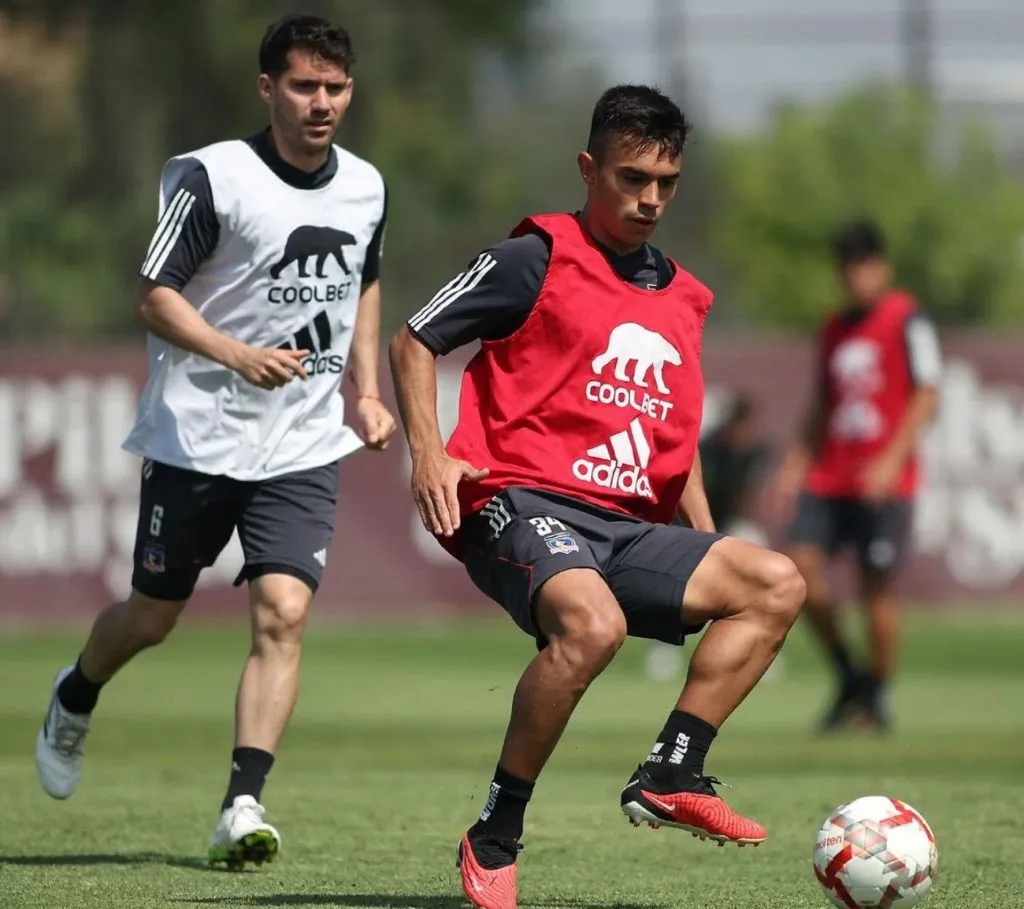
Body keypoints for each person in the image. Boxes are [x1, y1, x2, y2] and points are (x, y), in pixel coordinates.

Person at [389, 84, 806, 909]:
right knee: (594, 626)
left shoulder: (683, 295)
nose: (650, 198)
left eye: (666, 182)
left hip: (623, 525)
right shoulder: (535, 257)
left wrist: (710, 546)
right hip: (517, 496)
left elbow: (671, 437)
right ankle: (496, 831)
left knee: (775, 583)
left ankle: (671, 767)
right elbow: (413, 338)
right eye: (630, 177)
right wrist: (429, 455)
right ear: (588, 169)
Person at [34, 14, 395, 870]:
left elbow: (366, 280)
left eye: (335, 88)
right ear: (268, 88)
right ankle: (76, 692)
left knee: (285, 612)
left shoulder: (367, 186)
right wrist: (237, 355)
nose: (321, 104)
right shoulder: (211, 178)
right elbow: (152, 294)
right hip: (197, 435)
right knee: (153, 618)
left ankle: (242, 801)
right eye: (304, 86)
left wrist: (368, 391)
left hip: (303, 442)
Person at [770, 218, 941, 733]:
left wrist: (891, 460)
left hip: (884, 481)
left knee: (875, 590)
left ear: (881, 266)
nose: (856, 276)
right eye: (847, 266)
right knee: (797, 572)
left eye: (864, 264)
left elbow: (928, 392)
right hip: (831, 475)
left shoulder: (907, 318)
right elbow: (822, 404)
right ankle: (848, 673)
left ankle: (877, 696)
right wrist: (794, 465)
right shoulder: (833, 329)